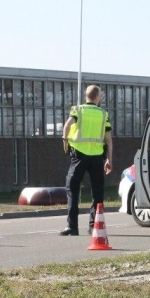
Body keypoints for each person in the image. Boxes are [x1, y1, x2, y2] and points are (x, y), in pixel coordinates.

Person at [59, 85, 113, 236]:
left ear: (86, 96)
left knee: (72, 189)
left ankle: (72, 227)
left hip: (79, 156)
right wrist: (109, 160)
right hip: (97, 158)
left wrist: (65, 141)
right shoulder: (104, 114)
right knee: (97, 192)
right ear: (98, 97)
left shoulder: (78, 110)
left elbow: (67, 125)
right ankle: (94, 226)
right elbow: (108, 140)